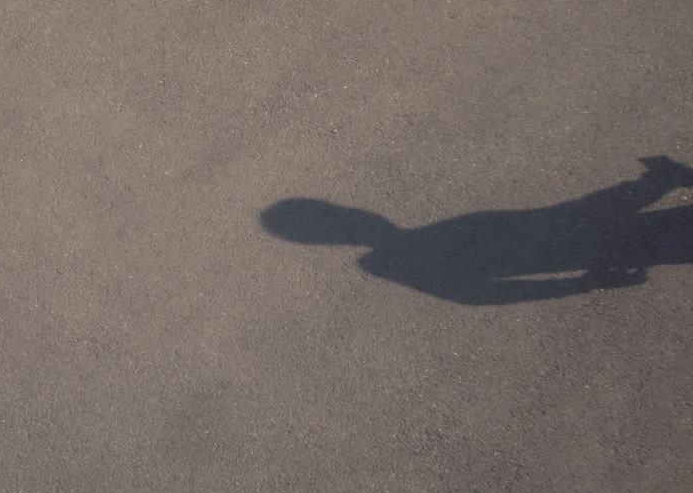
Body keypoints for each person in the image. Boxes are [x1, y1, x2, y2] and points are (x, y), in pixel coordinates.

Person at [260, 156, 693, 305]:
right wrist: (580, 285)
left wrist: (657, 181)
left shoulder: (405, 246)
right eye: (338, 211)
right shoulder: (391, 259)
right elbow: (475, 294)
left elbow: (567, 214)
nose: (351, 209)